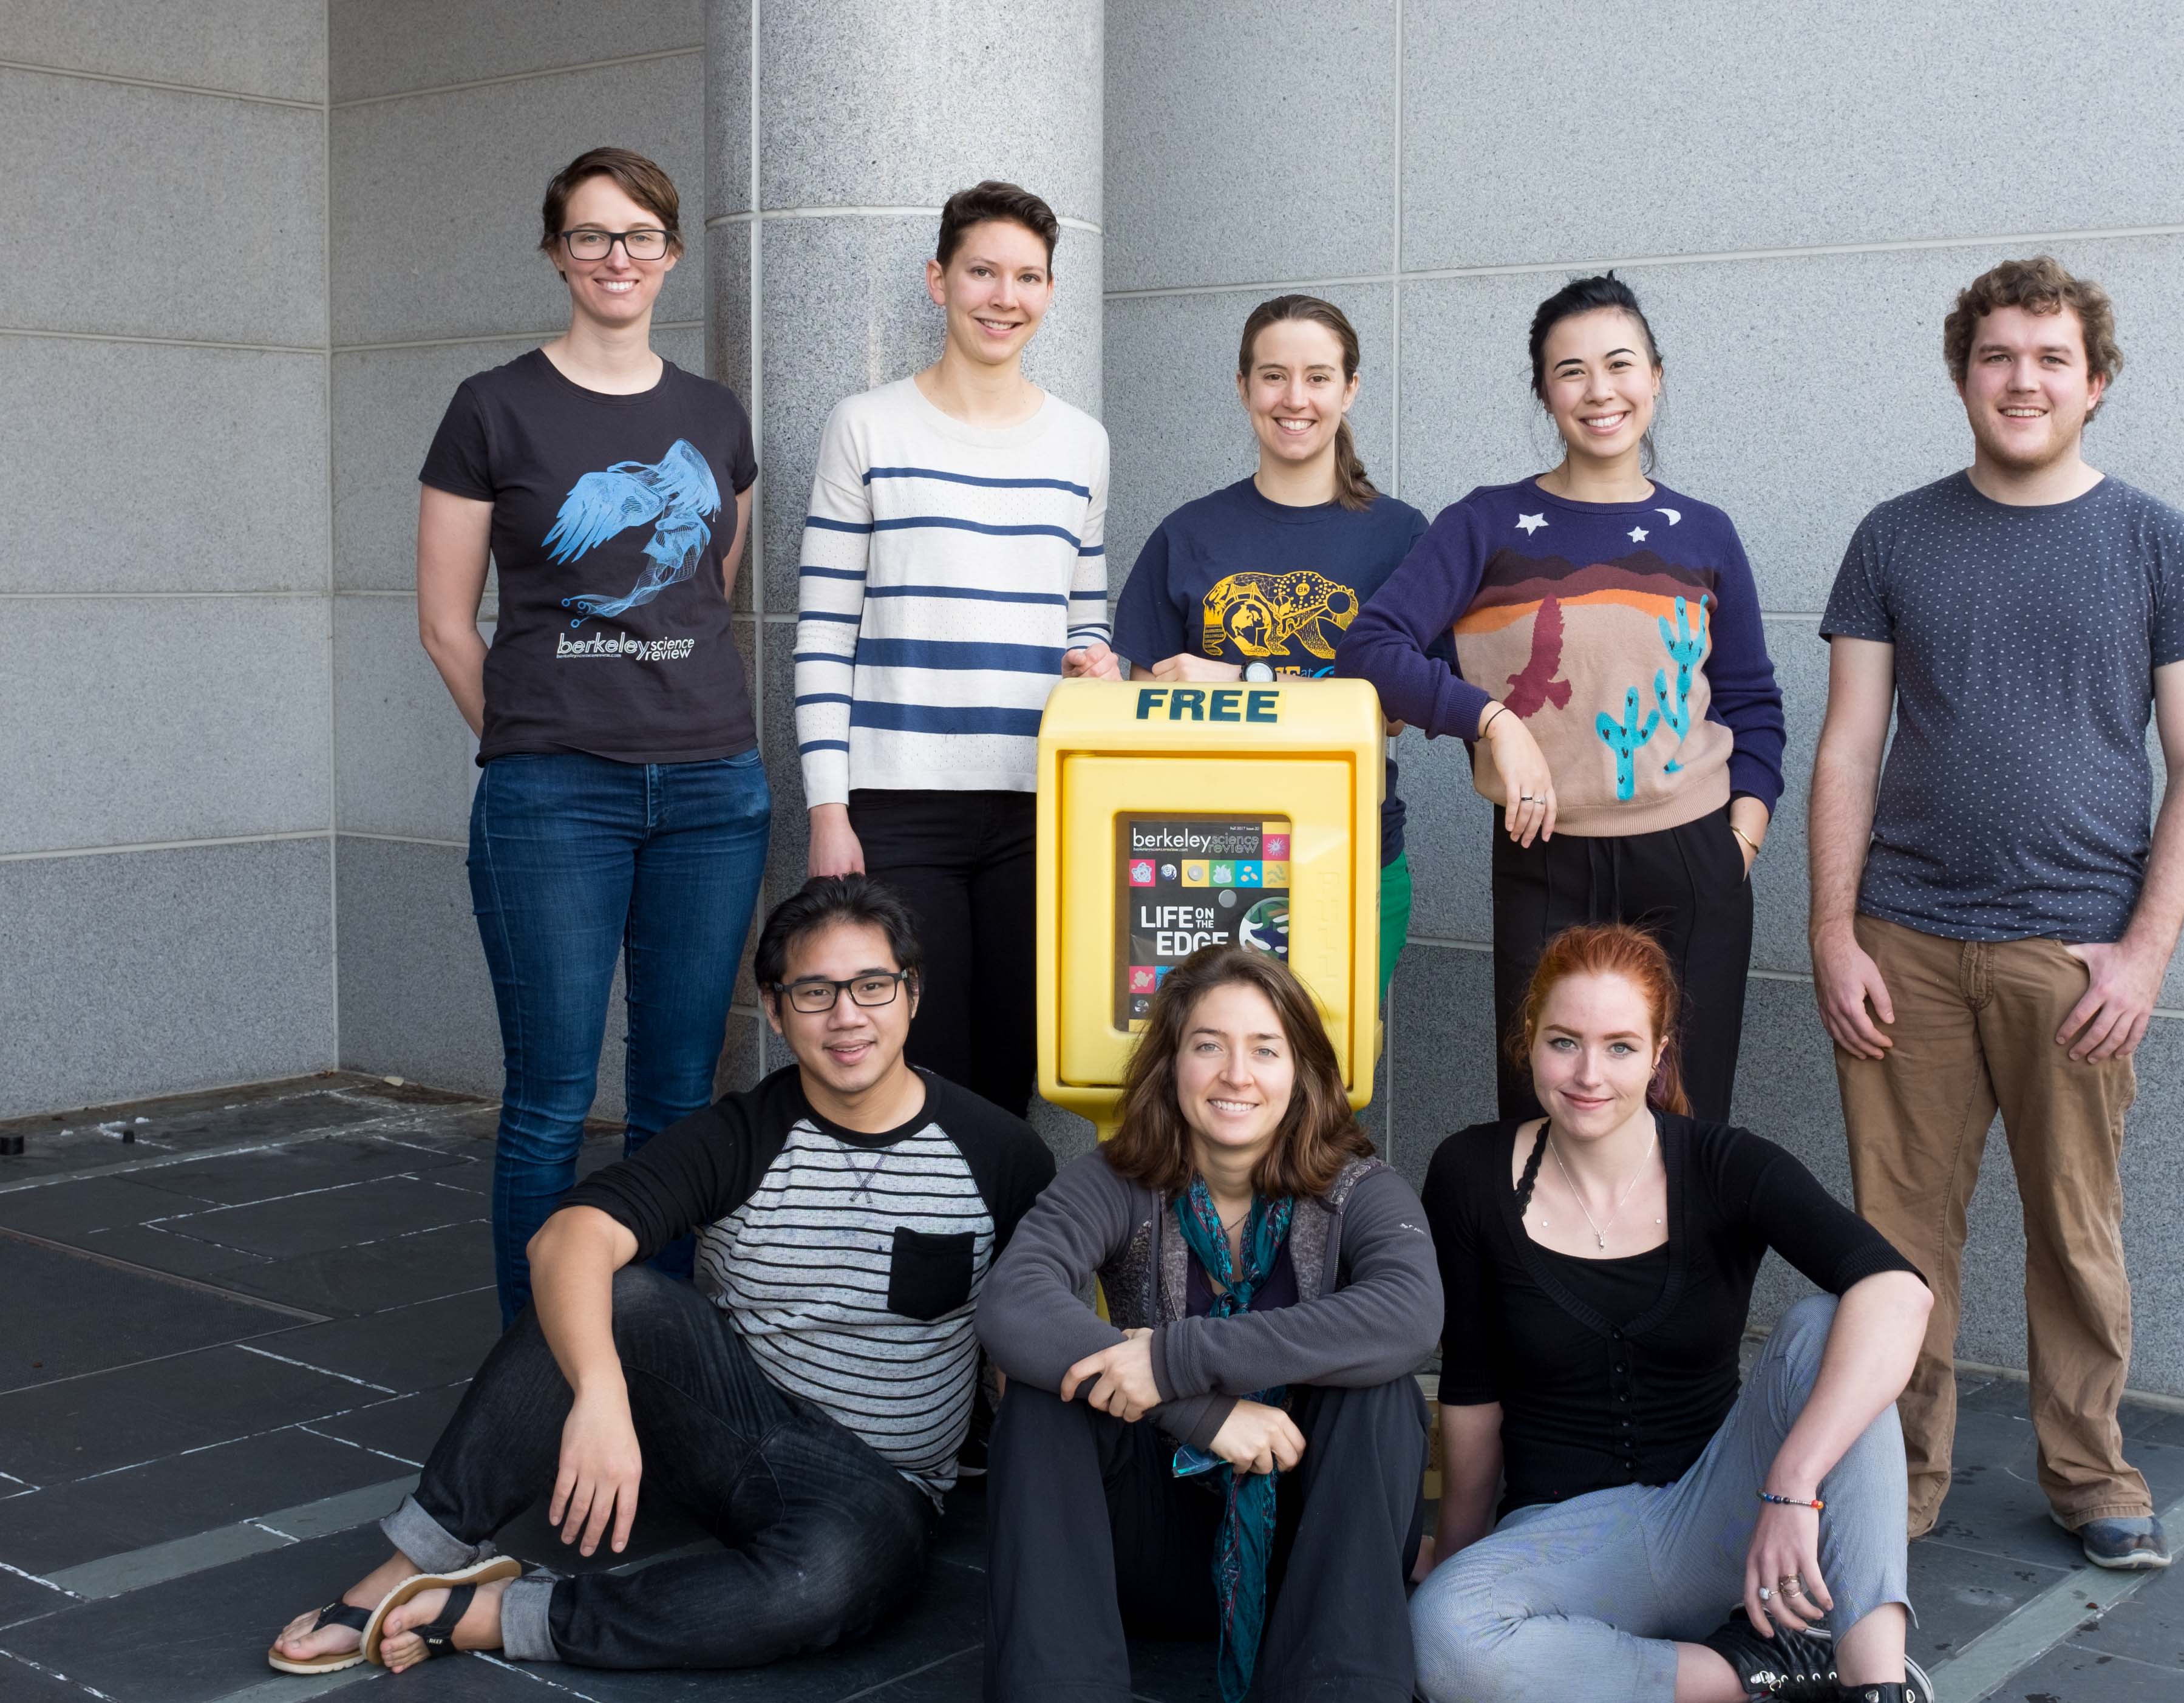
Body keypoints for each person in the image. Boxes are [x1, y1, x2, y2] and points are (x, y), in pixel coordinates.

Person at [261, 876, 1054, 1676]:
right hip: (733, 1435)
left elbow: (1030, 1330)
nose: (846, 1016)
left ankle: (503, 1612)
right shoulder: (740, 1135)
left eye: (872, 986)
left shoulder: (999, 1153)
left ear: (911, 995)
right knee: (613, 1289)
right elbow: (564, 1240)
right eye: (814, 992)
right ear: (776, 1012)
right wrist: (601, 1395)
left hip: (881, 1489)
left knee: (828, 1585)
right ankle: (414, 1561)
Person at [1807, 256, 2184, 1572]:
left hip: (2075, 952)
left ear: (2093, 383)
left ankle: (2089, 1472)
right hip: (1905, 944)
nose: (2022, 379)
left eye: (2051, 358)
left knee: (2074, 1228)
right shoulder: (1895, 534)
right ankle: (1903, 1475)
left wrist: (2145, 952)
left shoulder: (2156, 541)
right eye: (1997, 356)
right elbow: (1844, 750)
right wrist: (1832, 931)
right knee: (1898, 1235)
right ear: (1961, 375)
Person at [417, 147, 768, 1325]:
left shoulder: (714, 417)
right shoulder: (492, 407)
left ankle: (654, 1360)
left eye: (638, 236)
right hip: (554, 798)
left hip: (713, 792)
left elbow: (707, 588)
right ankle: (540, 1372)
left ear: (670, 254)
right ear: (557, 252)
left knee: (675, 1094)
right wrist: (535, 739)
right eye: (590, 236)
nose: (616, 258)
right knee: (552, 1097)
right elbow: (444, 621)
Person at [1410, 925, 1935, 1703]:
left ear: (1658, 1054)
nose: (1589, 1074)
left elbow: (1900, 1291)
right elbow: (1471, 1390)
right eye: (1564, 1043)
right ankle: (1759, 1673)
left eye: (1620, 1047)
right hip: (1570, 1536)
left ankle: (1875, 1685)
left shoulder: (1722, 1165)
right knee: (1444, 1637)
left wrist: (1792, 1482)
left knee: (1834, 1326)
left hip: (1722, 1518)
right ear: (1528, 1042)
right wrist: (1459, 1558)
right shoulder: (1469, 1172)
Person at [1336, 273, 1784, 1124]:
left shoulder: (1705, 532)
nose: (1599, 390)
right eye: (1571, 370)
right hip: (1545, 859)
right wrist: (1492, 720)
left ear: (1656, 376)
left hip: (1693, 860)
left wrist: (1742, 840)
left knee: (1685, 1122)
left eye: (1620, 364)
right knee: (1545, 1118)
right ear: (1544, 392)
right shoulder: (1489, 523)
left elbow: (1753, 700)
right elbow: (1371, 647)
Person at [976, 946, 1440, 1703]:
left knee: (1382, 1393)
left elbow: (1410, 1314)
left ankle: (1341, 1689)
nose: (1236, 1075)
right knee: (1041, 1394)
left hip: (1306, 1566)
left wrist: (1172, 1359)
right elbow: (1013, 1302)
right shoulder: (1119, 1179)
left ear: (1302, 1071)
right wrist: (1199, 1410)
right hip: (1146, 1549)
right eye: (1207, 1046)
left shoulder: (1360, 1189)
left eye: (1265, 1049)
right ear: (1170, 1065)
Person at [794, 180, 1117, 1118]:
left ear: (1051, 292)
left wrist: (1096, 661)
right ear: (939, 281)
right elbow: (822, 633)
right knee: (917, 1065)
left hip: (1039, 802)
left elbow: (1084, 616)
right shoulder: (866, 425)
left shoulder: (1081, 444)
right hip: (899, 807)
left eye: (1027, 277)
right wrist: (829, 806)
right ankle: (923, 1266)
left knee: (1016, 1061)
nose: (1003, 296)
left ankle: (1005, 1268)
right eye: (982, 271)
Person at [1114, 294, 1432, 996]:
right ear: (1242, 387)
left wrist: (1239, 680)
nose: (1295, 398)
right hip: (1201, 859)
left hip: (1350, 852)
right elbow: (1143, 713)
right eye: (1272, 376)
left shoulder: (1401, 536)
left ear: (1349, 389)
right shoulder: (1186, 534)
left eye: (1318, 377)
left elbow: (1399, 709)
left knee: (1329, 1082)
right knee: (1197, 1084)